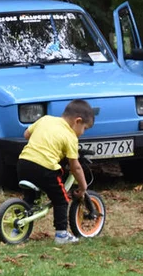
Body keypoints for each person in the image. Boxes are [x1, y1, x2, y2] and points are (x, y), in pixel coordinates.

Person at [15, 99, 94, 245]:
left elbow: (26, 134)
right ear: (77, 121)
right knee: (61, 199)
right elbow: (75, 166)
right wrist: (83, 187)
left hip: (23, 163)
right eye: (85, 128)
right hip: (44, 169)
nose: (83, 133)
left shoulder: (46, 119)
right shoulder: (70, 136)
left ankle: (17, 225)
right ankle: (61, 234)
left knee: (30, 198)